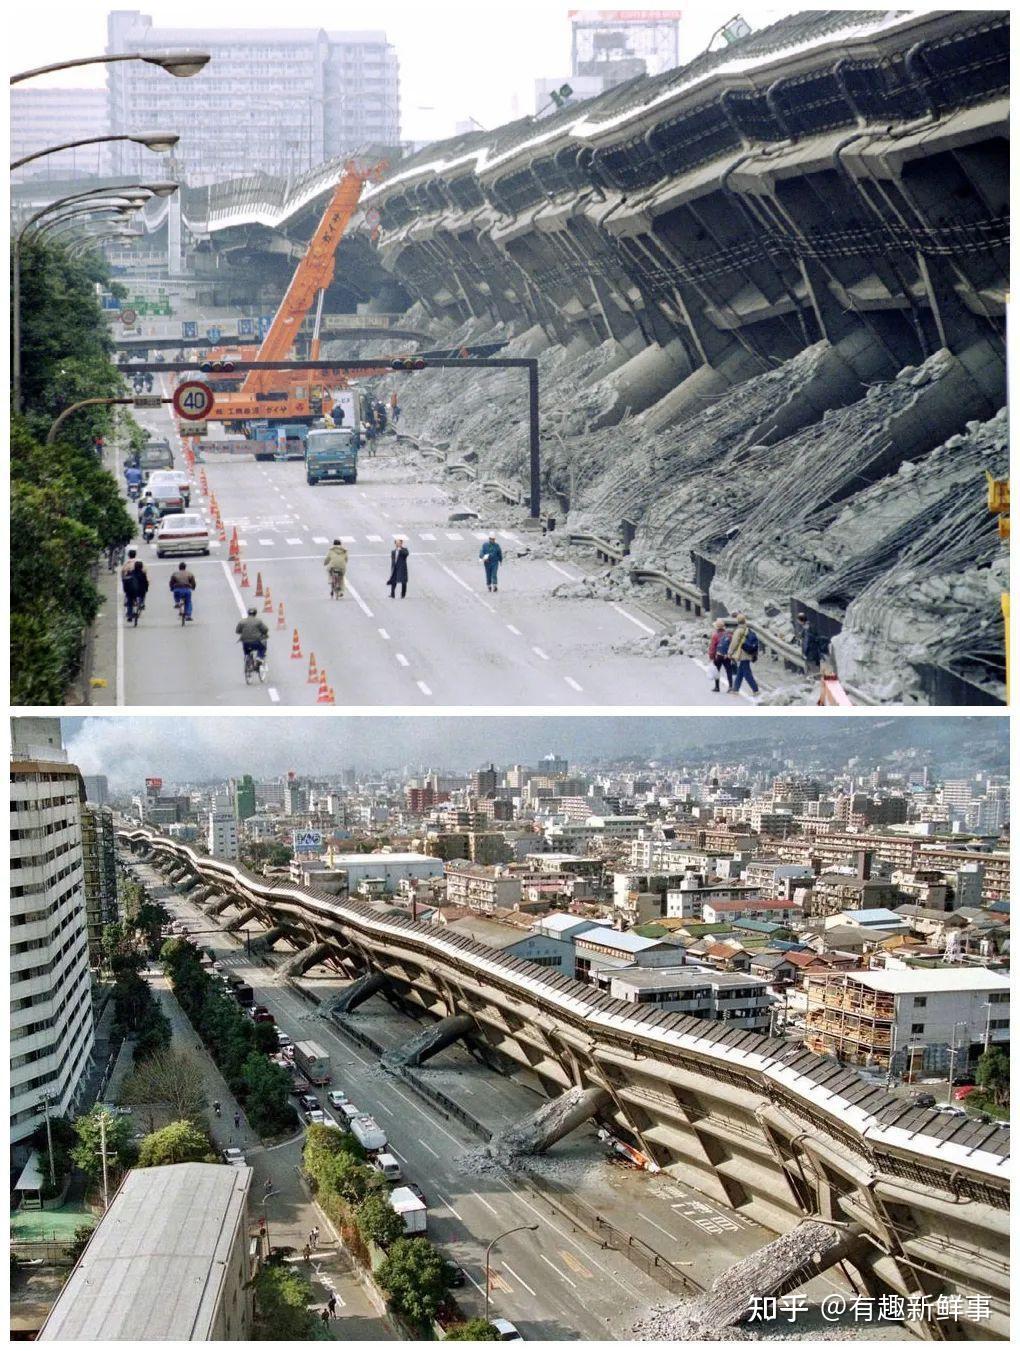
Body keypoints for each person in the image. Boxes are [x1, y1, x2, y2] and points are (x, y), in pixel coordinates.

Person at [728, 613, 760, 697]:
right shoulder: (747, 629)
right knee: (740, 672)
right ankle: (735, 689)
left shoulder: (738, 631)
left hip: (742, 653)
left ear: (737, 621)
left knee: (746, 673)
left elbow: (734, 643)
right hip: (747, 652)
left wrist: (730, 652)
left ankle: (755, 689)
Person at [120, 549, 148, 620]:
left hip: (130, 587)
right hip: (140, 589)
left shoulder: (127, 563)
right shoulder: (141, 562)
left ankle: (129, 614)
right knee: (143, 593)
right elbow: (145, 572)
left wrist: (123, 580)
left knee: (129, 599)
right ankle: (141, 603)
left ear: (129, 555)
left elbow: (123, 571)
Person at [708, 618, 733, 692]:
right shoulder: (729, 635)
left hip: (718, 656)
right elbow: (731, 645)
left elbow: (712, 647)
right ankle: (730, 686)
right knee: (729, 670)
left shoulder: (715, 635)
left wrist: (711, 657)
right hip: (726, 655)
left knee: (717, 670)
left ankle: (717, 687)